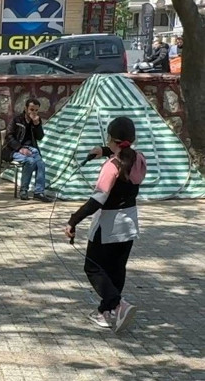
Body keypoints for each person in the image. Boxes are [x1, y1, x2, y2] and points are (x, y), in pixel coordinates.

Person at [64, 117, 146, 333]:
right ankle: (104, 312)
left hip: (107, 226)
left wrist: (73, 220)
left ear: (111, 138)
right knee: (116, 269)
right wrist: (104, 150)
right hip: (129, 224)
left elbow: (96, 200)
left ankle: (119, 305)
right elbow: (123, 154)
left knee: (93, 267)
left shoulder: (112, 166)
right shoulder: (139, 159)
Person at [2, 98, 50, 202]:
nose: (34, 112)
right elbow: (9, 136)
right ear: (26, 108)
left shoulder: (36, 121)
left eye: (36, 110)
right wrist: (20, 148)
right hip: (13, 150)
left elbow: (40, 137)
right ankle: (23, 190)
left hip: (31, 149)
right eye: (31, 109)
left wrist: (37, 125)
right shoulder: (17, 120)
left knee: (40, 163)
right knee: (30, 161)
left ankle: (39, 192)